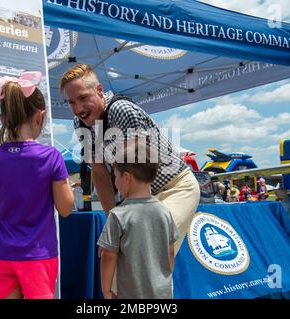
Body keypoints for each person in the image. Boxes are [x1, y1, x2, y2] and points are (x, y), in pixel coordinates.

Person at [59, 64, 199, 255]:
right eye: (71, 102)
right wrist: (112, 224)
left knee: (150, 251)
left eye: (83, 98)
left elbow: (138, 174)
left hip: (175, 188)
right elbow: (99, 173)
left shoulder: (120, 109)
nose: (78, 109)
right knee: (128, 254)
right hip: (143, 193)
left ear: (99, 91)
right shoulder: (80, 123)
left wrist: (124, 225)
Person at [0, 72, 74, 299]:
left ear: (3, 118)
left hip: (4, 255)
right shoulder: (51, 157)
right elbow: (66, 207)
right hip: (38, 257)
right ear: (40, 117)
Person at [97, 143, 178, 299]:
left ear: (126, 177)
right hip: (163, 294)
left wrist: (106, 290)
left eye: (115, 176)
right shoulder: (164, 211)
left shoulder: (118, 215)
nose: (114, 183)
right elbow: (171, 252)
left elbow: (108, 255)